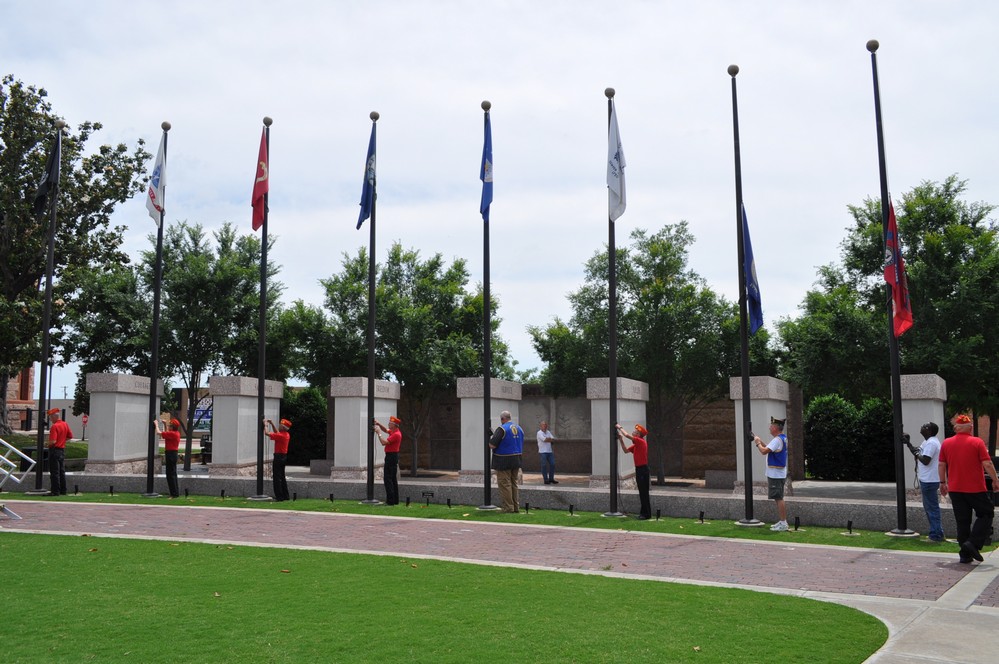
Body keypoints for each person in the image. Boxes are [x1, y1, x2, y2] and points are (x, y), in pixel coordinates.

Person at [940, 413, 998, 563]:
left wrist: (942, 483)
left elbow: (941, 464)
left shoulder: (946, 443)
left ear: (956, 428)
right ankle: (973, 543)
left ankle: (965, 554)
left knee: (963, 521)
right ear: (970, 428)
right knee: (986, 513)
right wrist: (995, 480)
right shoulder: (977, 442)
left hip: (955, 488)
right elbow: (987, 463)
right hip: (975, 488)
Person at [905, 423, 944, 542]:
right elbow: (918, 451)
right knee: (930, 507)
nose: (921, 427)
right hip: (927, 479)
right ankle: (936, 532)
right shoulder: (927, 441)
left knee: (931, 508)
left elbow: (925, 460)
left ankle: (936, 535)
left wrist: (917, 454)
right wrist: (909, 444)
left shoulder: (932, 443)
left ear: (929, 430)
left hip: (930, 480)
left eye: (924, 426)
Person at [754, 416, 789, 532]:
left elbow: (764, 451)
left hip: (776, 474)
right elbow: (769, 448)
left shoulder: (777, 440)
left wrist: (758, 444)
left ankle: (783, 523)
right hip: (778, 474)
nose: (769, 427)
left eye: (771, 426)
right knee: (778, 497)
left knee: (779, 498)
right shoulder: (781, 438)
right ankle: (782, 521)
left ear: (776, 428)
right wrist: (759, 440)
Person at [489, 411, 524, 513]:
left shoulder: (502, 429)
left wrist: (491, 438)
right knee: (514, 483)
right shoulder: (519, 428)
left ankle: (508, 508)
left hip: (504, 459)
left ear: (503, 419)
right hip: (517, 458)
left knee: (505, 484)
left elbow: (492, 445)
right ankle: (515, 507)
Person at [616, 422, 651, 520]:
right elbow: (626, 451)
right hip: (639, 470)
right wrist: (621, 440)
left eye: (635, 431)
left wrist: (620, 427)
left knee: (643, 492)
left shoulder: (640, 441)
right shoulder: (636, 445)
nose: (633, 432)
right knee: (642, 492)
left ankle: (646, 514)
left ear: (638, 435)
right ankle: (644, 513)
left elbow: (627, 435)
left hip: (643, 470)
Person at [374, 416, 402, 505]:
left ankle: (390, 501)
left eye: (390, 423)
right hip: (392, 456)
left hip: (391, 457)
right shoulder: (394, 432)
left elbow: (383, 442)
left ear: (395, 425)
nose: (388, 424)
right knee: (393, 479)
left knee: (388, 479)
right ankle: (395, 500)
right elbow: (386, 430)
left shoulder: (396, 434)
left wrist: (379, 433)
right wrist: (378, 424)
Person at [263, 417, 292, 502]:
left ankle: (279, 497)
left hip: (278, 457)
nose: (279, 426)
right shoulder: (286, 434)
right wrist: (272, 424)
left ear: (283, 427)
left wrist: (265, 425)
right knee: (282, 477)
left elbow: (266, 433)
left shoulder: (280, 435)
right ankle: (285, 495)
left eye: (280, 425)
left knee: (277, 477)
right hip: (283, 457)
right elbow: (277, 433)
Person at [153, 417, 182, 498]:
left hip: (171, 454)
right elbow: (166, 435)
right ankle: (175, 493)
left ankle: (174, 494)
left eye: (170, 425)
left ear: (173, 427)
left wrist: (156, 425)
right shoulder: (175, 433)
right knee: (173, 474)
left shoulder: (173, 434)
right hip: (173, 454)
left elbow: (159, 433)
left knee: (170, 475)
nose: (169, 426)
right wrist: (165, 424)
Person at [46, 407, 72, 496]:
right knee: (61, 471)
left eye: (50, 417)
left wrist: (47, 444)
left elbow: (53, 441)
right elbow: (70, 436)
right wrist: (62, 441)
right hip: (61, 450)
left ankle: (55, 491)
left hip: (54, 450)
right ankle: (63, 490)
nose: (50, 419)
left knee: (54, 472)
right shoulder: (65, 424)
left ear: (54, 416)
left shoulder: (54, 426)